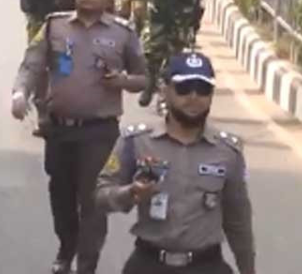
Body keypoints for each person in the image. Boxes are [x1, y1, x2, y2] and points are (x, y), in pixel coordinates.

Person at [12, 0, 148, 274]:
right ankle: (66, 247)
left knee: (93, 200)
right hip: (59, 129)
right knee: (60, 195)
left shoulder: (122, 33)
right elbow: (31, 65)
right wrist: (20, 92)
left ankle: (87, 264)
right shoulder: (54, 27)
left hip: (99, 132)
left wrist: (124, 81)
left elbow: (143, 79)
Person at [96, 53, 255, 274]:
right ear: (164, 90)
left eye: (203, 89)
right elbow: (101, 196)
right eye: (184, 88)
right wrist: (129, 193)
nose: (193, 97)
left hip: (206, 266)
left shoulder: (228, 151)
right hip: (149, 264)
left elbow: (239, 222)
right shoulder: (136, 142)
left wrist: (248, 269)